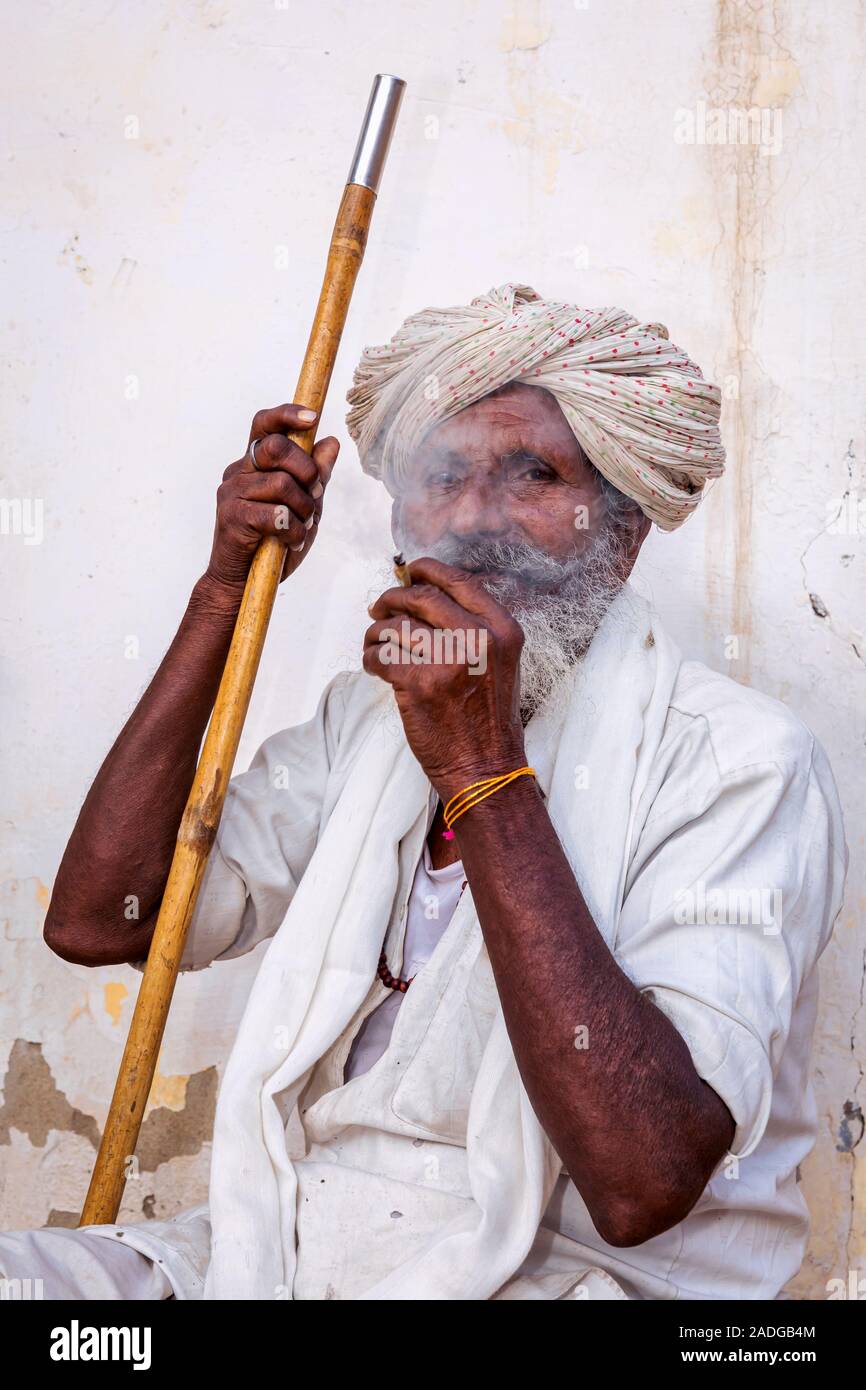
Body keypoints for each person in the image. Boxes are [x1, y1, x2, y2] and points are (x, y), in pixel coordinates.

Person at [2, 284, 846, 1300]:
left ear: (621, 532)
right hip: (283, 1247)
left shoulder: (741, 762)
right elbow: (106, 917)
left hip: (559, 1279)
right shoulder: (369, 721)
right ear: (402, 529)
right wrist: (225, 588)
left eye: (533, 473)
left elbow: (642, 1179)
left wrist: (479, 770)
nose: (476, 519)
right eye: (442, 477)